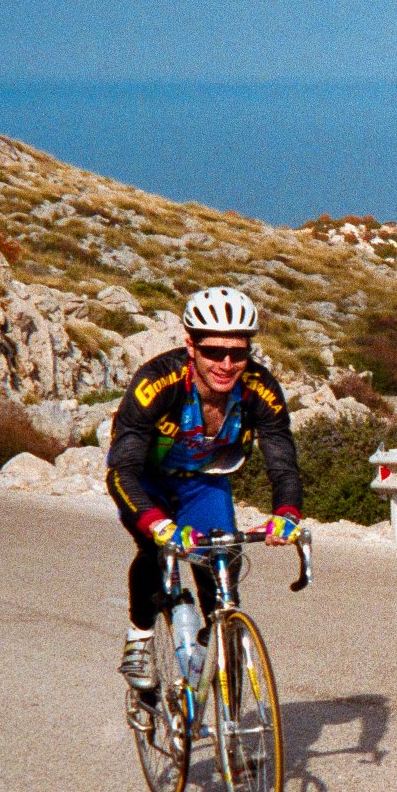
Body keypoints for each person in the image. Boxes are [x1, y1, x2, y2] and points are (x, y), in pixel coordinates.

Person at [105, 286, 303, 691]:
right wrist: (157, 524)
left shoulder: (260, 388)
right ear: (190, 345)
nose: (227, 364)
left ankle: (215, 666)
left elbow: (283, 461)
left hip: (203, 481)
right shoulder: (157, 382)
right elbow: (121, 469)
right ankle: (140, 636)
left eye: (238, 353)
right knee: (155, 551)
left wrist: (287, 513)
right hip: (146, 480)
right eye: (213, 351)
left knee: (222, 568)